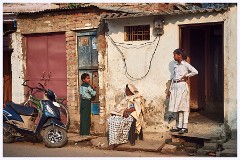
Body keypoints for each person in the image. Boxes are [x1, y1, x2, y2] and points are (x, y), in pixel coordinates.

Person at [167, 48, 198, 134]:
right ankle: (179, 126)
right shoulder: (175, 65)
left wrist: (187, 75)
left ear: (179, 55)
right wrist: (170, 90)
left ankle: (185, 126)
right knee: (178, 107)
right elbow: (173, 78)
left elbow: (195, 71)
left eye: (175, 55)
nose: (174, 56)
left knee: (184, 107)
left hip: (182, 86)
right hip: (176, 86)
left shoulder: (185, 64)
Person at [107, 84, 145, 150]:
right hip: (123, 114)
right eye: (126, 90)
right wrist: (119, 112)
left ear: (131, 90)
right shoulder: (126, 98)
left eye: (127, 90)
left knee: (118, 123)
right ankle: (113, 141)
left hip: (132, 115)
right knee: (111, 120)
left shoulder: (137, 98)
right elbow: (120, 107)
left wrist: (126, 111)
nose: (126, 91)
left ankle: (117, 142)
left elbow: (137, 108)